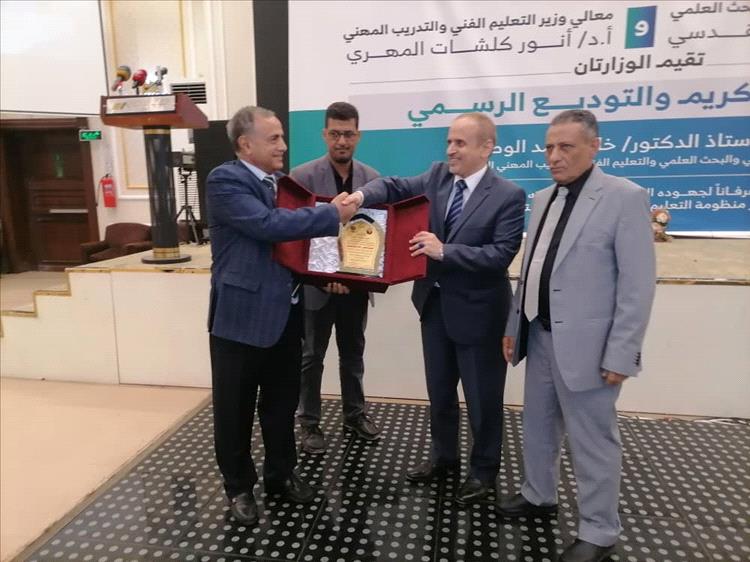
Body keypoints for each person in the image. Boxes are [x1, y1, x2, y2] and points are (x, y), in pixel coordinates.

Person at [496, 110, 656, 562]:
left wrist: (622, 354)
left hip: (591, 349)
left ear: (594, 147)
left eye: (565, 147)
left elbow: (637, 285)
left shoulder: (625, 198)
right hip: (538, 336)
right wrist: (514, 325)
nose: (554, 156)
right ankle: (538, 495)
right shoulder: (543, 197)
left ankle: (600, 531)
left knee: (593, 441)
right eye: (549, 147)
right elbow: (531, 269)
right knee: (537, 425)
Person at [344, 112, 525, 505]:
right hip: (435, 307)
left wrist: (445, 251)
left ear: (486, 147)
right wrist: (359, 197)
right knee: (440, 393)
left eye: (460, 143)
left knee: (482, 400)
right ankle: (444, 459)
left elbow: (500, 255)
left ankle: (483, 473)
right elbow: (392, 186)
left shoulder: (508, 195)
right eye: (449, 142)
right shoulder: (437, 176)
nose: (450, 150)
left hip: (480, 314)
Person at [205, 106, 356, 525]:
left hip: (286, 315)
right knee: (234, 411)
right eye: (273, 139)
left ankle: (281, 475)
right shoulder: (225, 180)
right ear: (245, 144)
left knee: (281, 404)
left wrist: (329, 274)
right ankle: (239, 487)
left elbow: (295, 245)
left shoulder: (281, 185)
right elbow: (268, 225)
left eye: (282, 137)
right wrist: (333, 214)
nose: (283, 146)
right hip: (239, 319)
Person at [290, 102, 381, 454]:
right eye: (335, 134)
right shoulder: (302, 177)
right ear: (324, 135)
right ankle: (309, 423)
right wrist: (322, 277)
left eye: (348, 134)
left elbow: (377, 236)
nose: (342, 141)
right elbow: (297, 236)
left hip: (357, 285)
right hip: (317, 287)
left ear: (358, 135)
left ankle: (355, 415)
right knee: (311, 357)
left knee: (353, 354)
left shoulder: (373, 179)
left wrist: (355, 277)